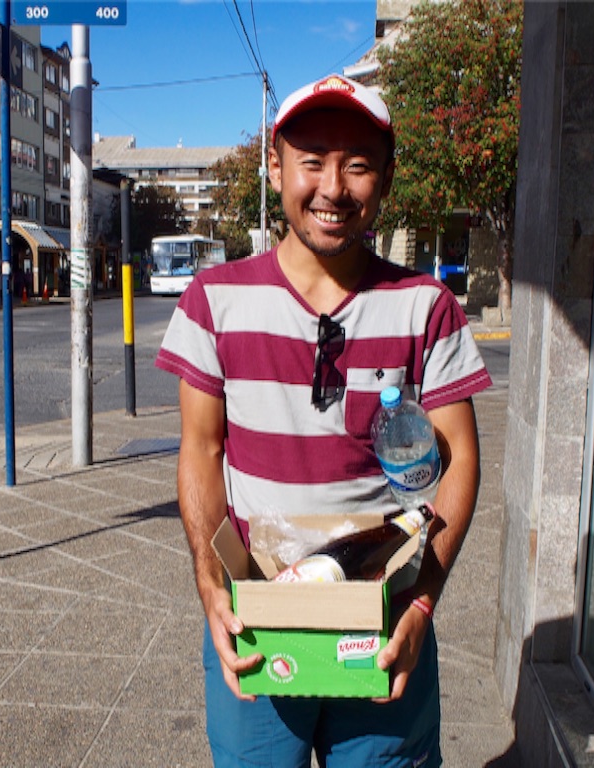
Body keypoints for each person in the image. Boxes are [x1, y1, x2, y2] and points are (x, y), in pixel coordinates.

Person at [155, 74, 492, 768]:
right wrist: (210, 583)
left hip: (386, 618)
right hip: (260, 620)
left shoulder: (425, 308)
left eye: (358, 163)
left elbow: (458, 460)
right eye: (312, 159)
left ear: (387, 179)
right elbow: (200, 448)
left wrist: (422, 607)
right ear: (275, 167)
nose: (333, 187)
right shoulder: (212, 301)